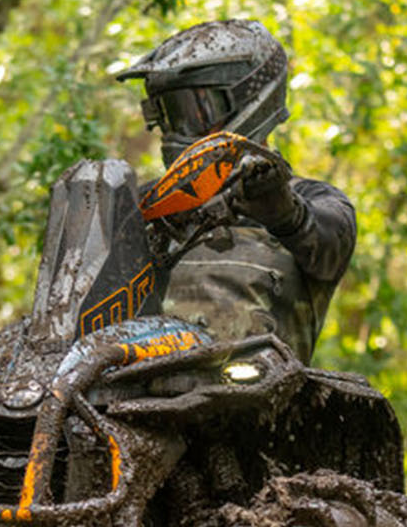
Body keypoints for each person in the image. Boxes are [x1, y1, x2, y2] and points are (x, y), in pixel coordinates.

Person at [114, 19, 356, 363]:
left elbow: (330, 247)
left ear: (248, 99)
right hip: (134, 392)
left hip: (258, 401)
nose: (177, 130)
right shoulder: (144, 205)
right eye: (169, 114)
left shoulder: (316, 200)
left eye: (195, 111)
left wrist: (287, 214)